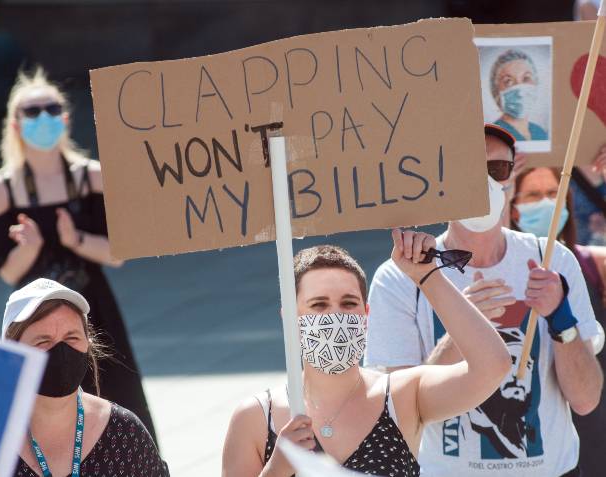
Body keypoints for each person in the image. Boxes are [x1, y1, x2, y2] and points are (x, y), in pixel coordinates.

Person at [366, 124, 604, 477]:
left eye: (497, 169)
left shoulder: (554, 260)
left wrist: (561, 317)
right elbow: (399, 412)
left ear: (511, 179)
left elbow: (586, 400)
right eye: (468, 168)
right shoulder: (402, 274)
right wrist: (464, 327)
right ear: (443, 179)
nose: (485, 182)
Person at [222, 230, 512, 477]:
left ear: (365, 314)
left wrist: (427, 277)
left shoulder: (402, 396)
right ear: (291, 318)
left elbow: (492, 366)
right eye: (319, 305)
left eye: (349, 304)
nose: (335, 316)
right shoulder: (256, 417)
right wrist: (275, 470)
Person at [0, 68, 158, 440]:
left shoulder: (90, 176)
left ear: (65, 118)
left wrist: (74, 238)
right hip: (34, 317)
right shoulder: (1, 191)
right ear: (14, 124)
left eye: (51, 108)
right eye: (32, 111)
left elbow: (117, 254)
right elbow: (8, 273)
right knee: (42, 404)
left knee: (115, 393)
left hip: (93, 308)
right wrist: (29, 249)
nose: (42, 117)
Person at [2, 278, 169, 477]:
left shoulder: (124, 432)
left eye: (72, 338)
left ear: (88, 345)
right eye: (43, 341)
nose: (61, 351)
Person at [509, 165, 606, 477]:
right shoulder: (489, 272)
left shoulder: (593, 263)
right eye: (534, 195)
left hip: (592, 421)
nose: (546, 203)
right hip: (532, 435)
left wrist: (602, 186)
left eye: (553, 194)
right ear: (513, 208)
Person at [489, 49, 548, 142]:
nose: (520, 92)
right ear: (495, 91)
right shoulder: (494, 135)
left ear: (536, 83)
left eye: (526, 78)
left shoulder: (540, 133)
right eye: (508, 81)